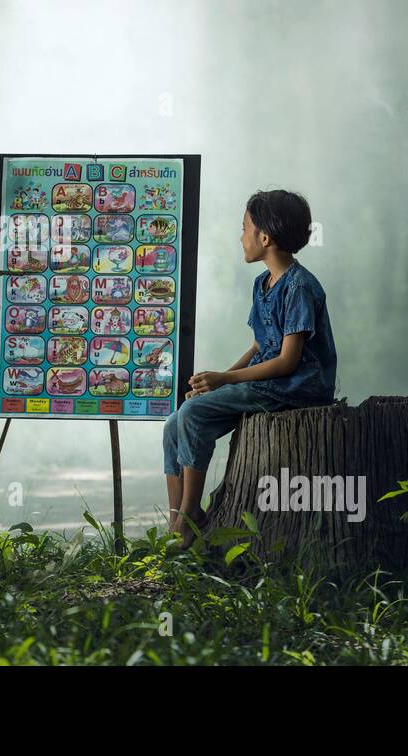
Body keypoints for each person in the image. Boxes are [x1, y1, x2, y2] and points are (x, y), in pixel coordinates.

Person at [161, 189, 338, 548]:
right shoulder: (263, 284)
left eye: (244, 228)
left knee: (193, 414)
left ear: (265, 237)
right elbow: (260, 344)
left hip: (296, 387)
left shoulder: (299, 286)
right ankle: (177, 517)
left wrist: (225, 379)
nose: (240, 237)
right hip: (267, 382)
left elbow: (288, 361)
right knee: (174, 421)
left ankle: (189, 518)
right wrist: (214, 381)